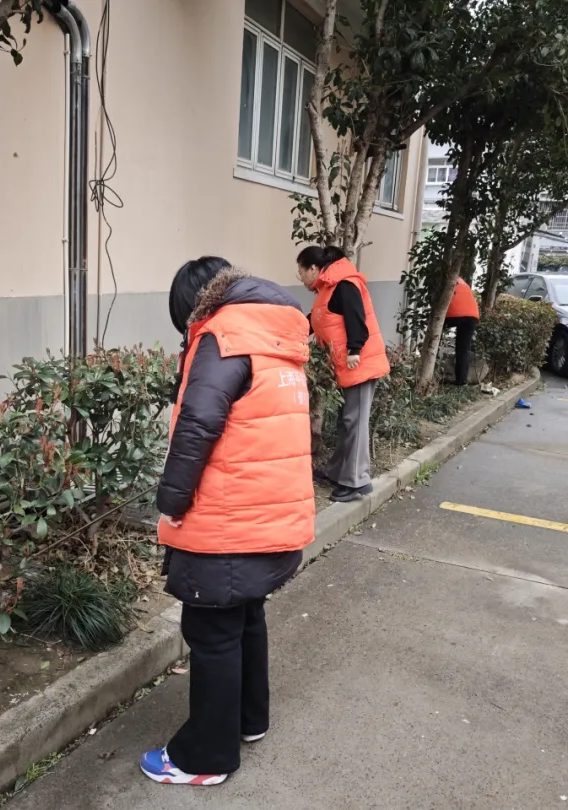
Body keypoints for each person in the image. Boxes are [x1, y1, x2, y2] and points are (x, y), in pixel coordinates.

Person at [140, 256, 315, 787]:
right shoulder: (275, 333)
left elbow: (197, 422)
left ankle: (204, 757)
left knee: (212, 631)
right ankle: (248, 720)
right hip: (269, 510)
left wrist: (172, 499)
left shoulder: (223, 336)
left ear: (194, 304)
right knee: (245, 616)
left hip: (225, 516)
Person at [296, 245, 390, 503]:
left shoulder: (345, 284)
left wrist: (355, 349)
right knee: (346, 420)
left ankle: (357, 481)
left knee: (355, 422)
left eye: (301, 272)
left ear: (313, 268)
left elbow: (356, 317)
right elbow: (317, 319)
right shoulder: (328, 288)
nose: (300, 278)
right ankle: (338, 471)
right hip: (347, 366)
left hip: (359, 364)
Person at [444, 276, 480, 385]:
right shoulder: (463, 282)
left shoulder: (443, 278)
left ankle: (432, 367)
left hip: (454, 314)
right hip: (472, 316)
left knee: (434, 334)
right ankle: (461, 382)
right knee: (463, 350)